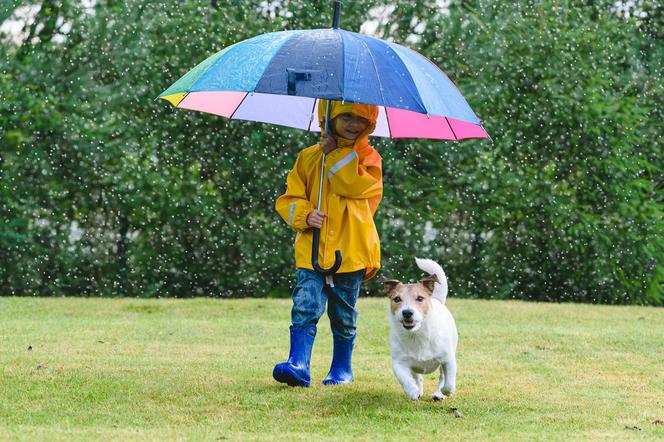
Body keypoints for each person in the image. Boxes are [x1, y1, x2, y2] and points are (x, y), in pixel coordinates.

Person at [273, 99, 382, 387]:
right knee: (305, 304)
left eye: (360, 118)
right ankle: (298, 363)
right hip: (311, 249)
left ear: (370, 122)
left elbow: (355, 187)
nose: (353, 123)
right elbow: (288, 199)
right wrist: (306, 215)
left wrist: (335, 156)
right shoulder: (309, 157)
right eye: (345, 116)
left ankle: (341, 368)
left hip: (351, 250)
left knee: (343, 313)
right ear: (327, 116)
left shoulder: (369, 159)